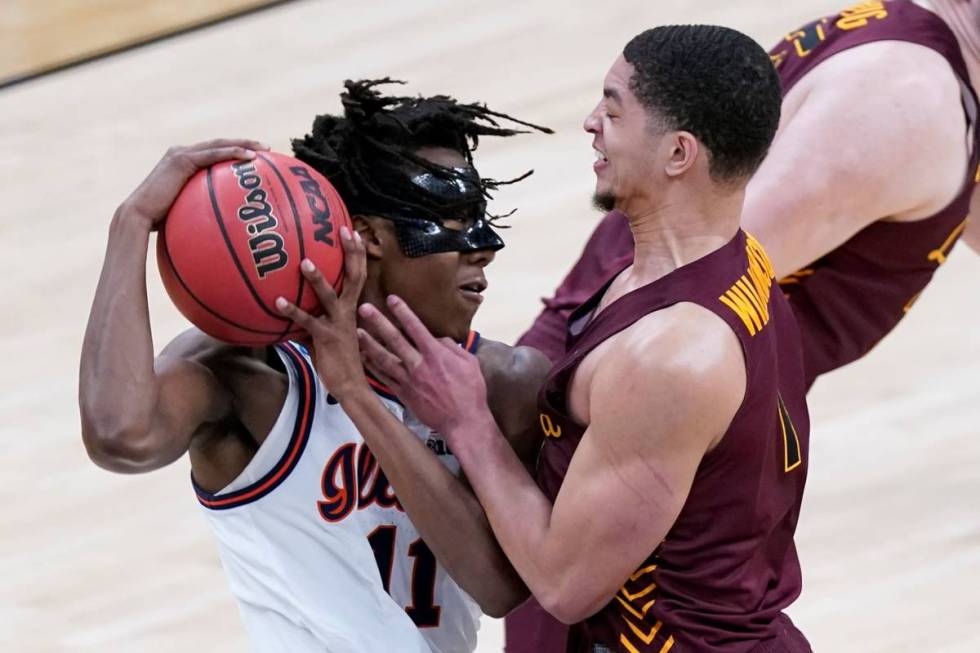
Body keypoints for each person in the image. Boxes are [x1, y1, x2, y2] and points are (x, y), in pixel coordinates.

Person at [511, 3, 980, 646]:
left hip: (659, 424)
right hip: (637, 432)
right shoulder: (905, 101)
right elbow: (698, 277)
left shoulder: (924, 60)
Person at [356, 25, 813, 652]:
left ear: (679, 154)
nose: (590, 122)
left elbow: (565, 584)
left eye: (613, 108)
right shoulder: (729, 263)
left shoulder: (672, 357)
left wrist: (466, 421)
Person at [79, 79, 551, 653]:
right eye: (452, 222)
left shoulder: (505, 383)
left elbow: (500, 589)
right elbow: (119, 436)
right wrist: (130, 222)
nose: (485, 245)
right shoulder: (250, 375)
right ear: (371, 237)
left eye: (479, 216)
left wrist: (354, 392)